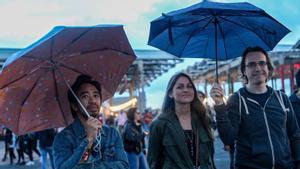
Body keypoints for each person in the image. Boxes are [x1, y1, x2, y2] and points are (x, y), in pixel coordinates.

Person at [210, 46, 300, 169]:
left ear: (268, 67)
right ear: (244, 70)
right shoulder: (237, 100)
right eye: (251, 64)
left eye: (262, 63)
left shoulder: (281, 98)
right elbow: (228, 138)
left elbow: (295, 135)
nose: (258, 68)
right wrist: (219, 105)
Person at [52, 74, 128, 169]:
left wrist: (92, 167)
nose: (93, 100)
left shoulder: (112, 134)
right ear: (74, 106)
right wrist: (89, 140)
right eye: (85, 96)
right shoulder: (63, 138)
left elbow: (124, 165)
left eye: (96, 95)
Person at [147, 72, 215, 169]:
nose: (186, 90)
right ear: (170, 93)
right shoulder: (159, 124)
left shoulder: (203, 119)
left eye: (190, 86)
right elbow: (153, 162)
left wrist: (219, 104)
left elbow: (210, 158)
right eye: (180, 87)